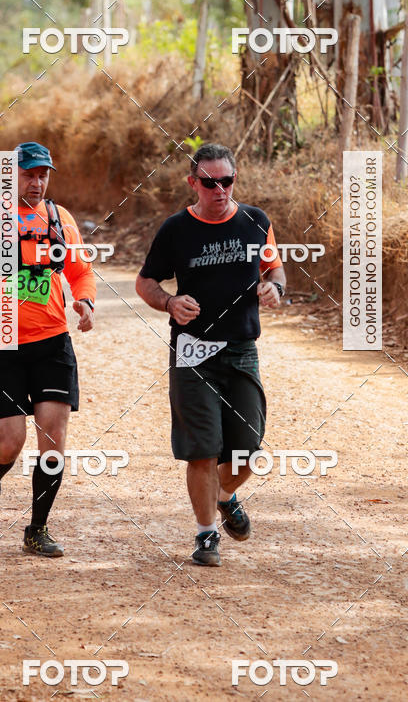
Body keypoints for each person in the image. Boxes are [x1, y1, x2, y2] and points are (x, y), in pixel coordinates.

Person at [0, 142, 96, 558]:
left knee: (53, 436)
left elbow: (81, 273)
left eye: (43, 174)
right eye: (29, 174)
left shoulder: (60, 220)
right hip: (2, 341)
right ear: (9, 176)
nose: (37, 182)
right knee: (10, 441)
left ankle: (37, 529)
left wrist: (86, 301)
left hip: (52, 341)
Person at [136, 142, 286, 567]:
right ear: (193, 183)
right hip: (192, 351)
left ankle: (225, 495)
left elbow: (274, 267)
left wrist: (275, 286)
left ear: (234, 179)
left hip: (241, 348)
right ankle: (206, 536)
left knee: (247, 451)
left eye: (226, 181)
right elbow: (145, 281)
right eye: (209, 182)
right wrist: (168, 302)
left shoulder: (256, 222)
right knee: (202, 449)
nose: (219, 189)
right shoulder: (175, 230)